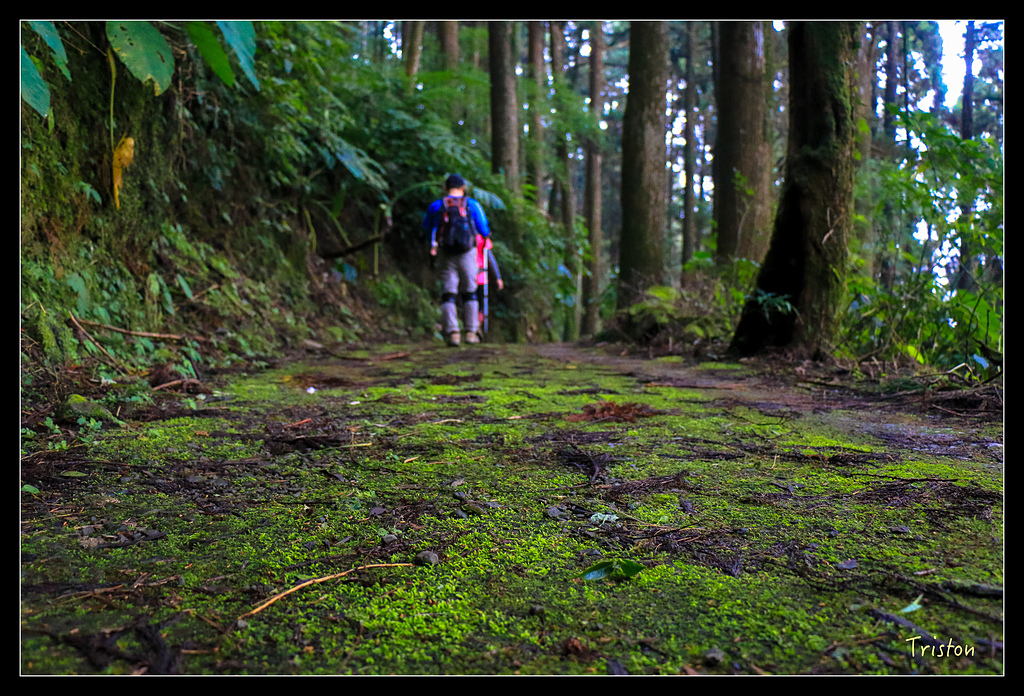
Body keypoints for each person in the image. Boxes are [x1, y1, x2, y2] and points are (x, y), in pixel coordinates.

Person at [423, 174, 493, 346]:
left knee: (448, 293)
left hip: (446, 253)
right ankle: (471, 332)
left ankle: (453, 333)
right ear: (463, 188)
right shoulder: (472, 205)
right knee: (470, 292)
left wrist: (433, 246)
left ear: (446, 188)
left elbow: (427, 228)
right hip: (468, 253)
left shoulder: (437, 206)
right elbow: (484, 229)